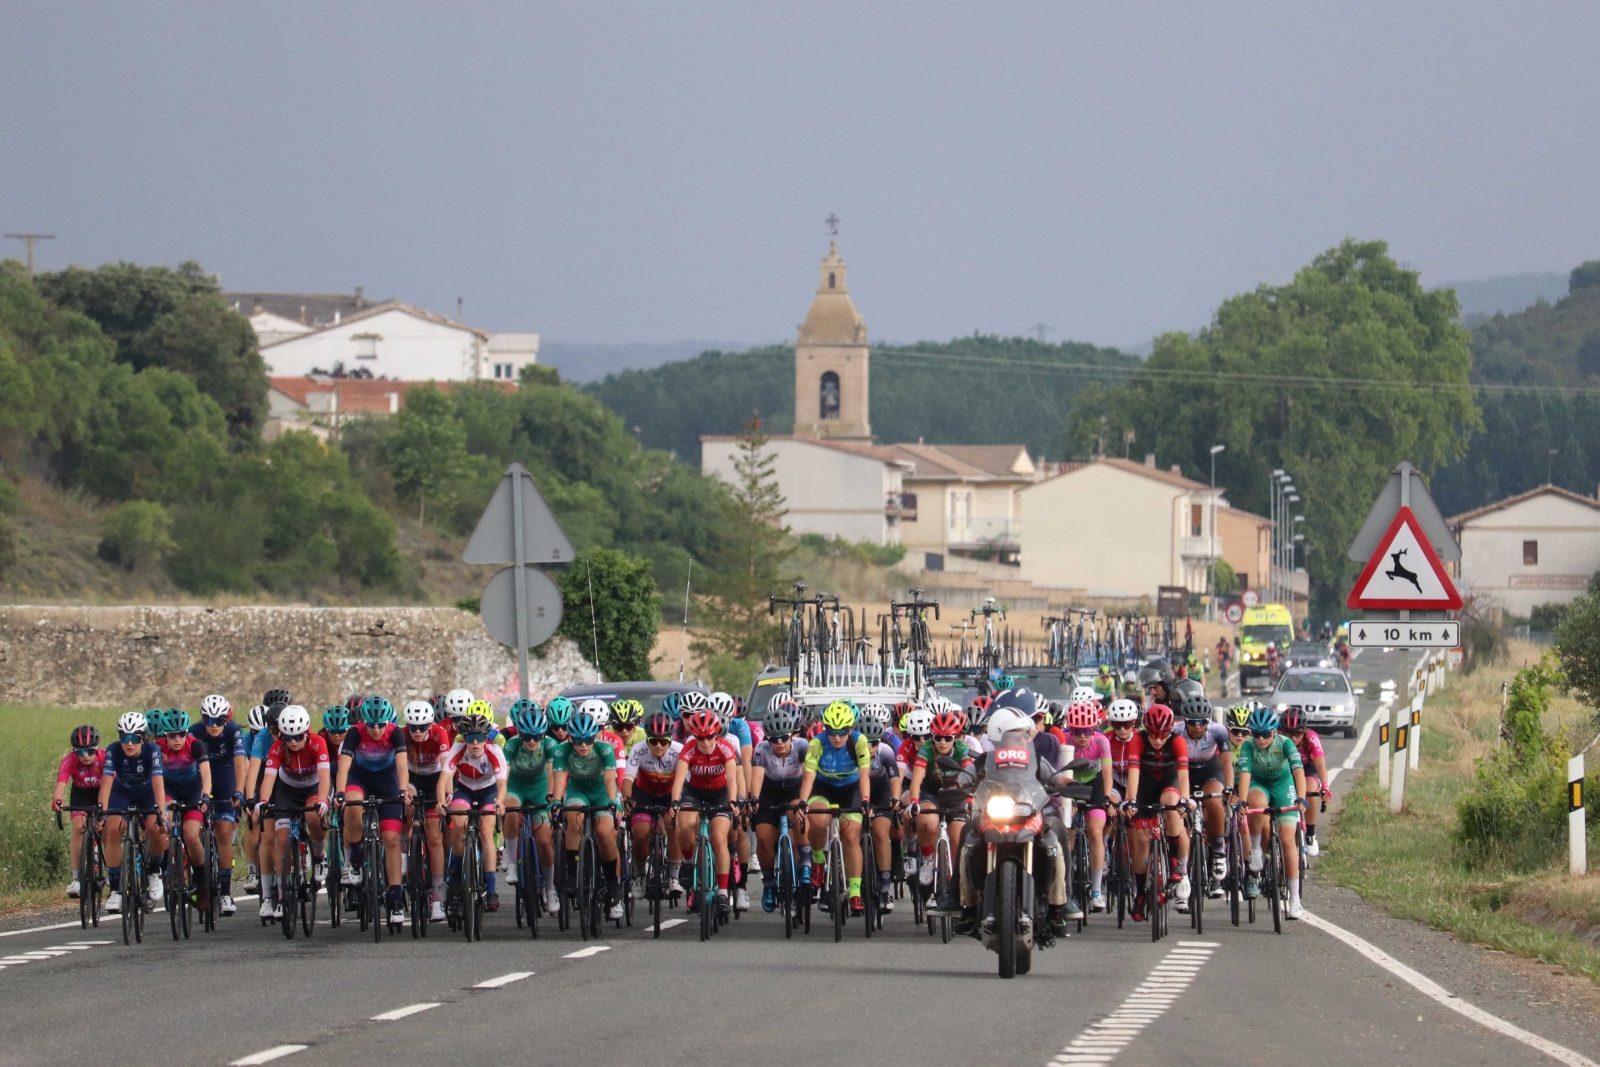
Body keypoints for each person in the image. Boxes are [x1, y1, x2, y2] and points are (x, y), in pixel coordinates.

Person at [336, 696, 410, 924]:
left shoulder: (395, 732)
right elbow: (344, 767)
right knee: (351, 802)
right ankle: (356, 860)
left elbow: (401, 765)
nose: (376, 730)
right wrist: (339, 792)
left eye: (380, 725)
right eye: (371, 725)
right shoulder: (355, 733)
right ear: (364, 722)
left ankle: (396, 900)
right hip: (361, 778)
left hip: (387, 780)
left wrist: (403, 789)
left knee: (390, 838)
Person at [798, 701, 873, 916]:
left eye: (842, 732)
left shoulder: (860, 742)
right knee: (818, 821)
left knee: (850, 836)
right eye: (832, 731)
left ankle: (855, 892)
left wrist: (866, 800)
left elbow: (864, 775)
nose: (837, 737)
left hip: (850, 789)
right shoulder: (817, 743)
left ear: (850, 729)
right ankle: (819, 861)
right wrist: (803, 801)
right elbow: (809, 778)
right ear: (825, 729)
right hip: (823, 788)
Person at [551, 704, 625, 920]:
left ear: (595, 737)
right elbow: (558, 779)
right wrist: (555, 800)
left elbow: (610, 778)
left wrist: (613, 800)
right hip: (578, 790)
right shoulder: (561, 751)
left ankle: (613, 887)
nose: (583, 745)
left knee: (605, 832)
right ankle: (574, 874)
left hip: (602, 792)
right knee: (573, 818)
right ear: (570, 738)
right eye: (578, 740)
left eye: (588, 740)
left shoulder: (605, 749)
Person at [256, 706, 330, 920]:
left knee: (313, 816)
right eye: (289, 737)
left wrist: (324, 801)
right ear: (282, 734)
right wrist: (262, 802)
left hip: (313, 786)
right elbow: (269, 777)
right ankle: (281, 895)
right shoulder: (278, 748)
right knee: (282, 839)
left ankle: (319, 855)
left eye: (298, 736)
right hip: (287, 788)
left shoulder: (318, 742)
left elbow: (325, 777)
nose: (294, 741)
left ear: (306, 732)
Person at [1235, 706, 1307, 919]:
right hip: (1259, 783)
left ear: (1275, 732)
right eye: (1256, 734)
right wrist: (1242, 801)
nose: (1261, 739)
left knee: (1287, 840)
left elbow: (1299, 772)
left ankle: (1294, 899)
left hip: (1283, 785)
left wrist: (1301, 798)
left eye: (1265, 734)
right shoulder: (1248, 746)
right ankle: (1256, 849)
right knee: (1254, 800)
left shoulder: (1285, 744)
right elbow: (1245, 775)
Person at [1120, 704, 1191, 923]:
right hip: (1145, 787)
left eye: (1162, 735)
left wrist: (1185, 800)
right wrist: (1130, 801)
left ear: (1169, 732)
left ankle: (1173, 859)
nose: (1157, 740)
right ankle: (1140, 893)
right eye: (1153, 734)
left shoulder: (1177, 741)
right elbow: (1133, 774)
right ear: (1145, 730)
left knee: (1172, 802)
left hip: (1169, 784)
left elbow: (1184, 775)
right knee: (1141, 840)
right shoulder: (1137, 740)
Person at [98, 711, 169, 915]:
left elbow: (158, 785)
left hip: (147, 793)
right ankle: (116, 890)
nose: (129, 744)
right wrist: (102, 813)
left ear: (142, 738)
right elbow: (106, 784)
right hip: (123, 792)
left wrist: (161, 813)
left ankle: (154, 870)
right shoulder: (113, 750)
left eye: (135, 739)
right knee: (112, 829)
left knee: (156, 829)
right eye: (125, 738)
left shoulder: (153, 751)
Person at [670, 708, 739, 912]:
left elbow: (733, 779)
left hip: (720, 793)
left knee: (719, 838)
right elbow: (680, 778)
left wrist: (733, 801)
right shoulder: (689, 749)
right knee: (685, 826)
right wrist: (675, 801)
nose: (706, 742)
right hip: (695, 792)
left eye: (709, 737)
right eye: (700, 738)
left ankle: (723, 893)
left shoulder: (726, 749)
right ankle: (689, 862)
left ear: (716, 734)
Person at [910, 708, 976, 921]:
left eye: (948, 737)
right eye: (938, 737)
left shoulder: (962, 749)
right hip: (932, 791)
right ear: (932, 736)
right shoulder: (927, 749)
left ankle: (957, 880)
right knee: (927, 820)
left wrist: (970, 799)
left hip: (956, 791)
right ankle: (928, 859)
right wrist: (913, 802)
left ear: (955, 737)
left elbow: (970, 775)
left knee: (959, 836)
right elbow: (917, 779)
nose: (943, 742)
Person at [439, 711, 508, 911]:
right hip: (465, 791)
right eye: (470, 739)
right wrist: (441, 802)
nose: (475, 743)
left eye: (479, 738)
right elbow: (444, 779)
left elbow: (502, 783)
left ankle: (492, 888)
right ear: (464, 739)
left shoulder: (494, 751)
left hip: (488, 791)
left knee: (486, 831)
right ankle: (456, 874)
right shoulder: (458, 749)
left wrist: (500, 803)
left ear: (485, 738)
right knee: (458, 823)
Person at [748, 701, 808, 911]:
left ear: (791, 735)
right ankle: (770, 883)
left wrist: (804, 801)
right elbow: (756, 777)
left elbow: (807, 774)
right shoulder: (762, 749)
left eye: (784, 737)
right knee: (764, 837)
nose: (780, 743)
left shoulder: (802, 746)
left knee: (799, 816)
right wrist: (754, 798)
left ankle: (805, 863)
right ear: (768, 738)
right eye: (775, 739)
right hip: (770, 792)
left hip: (794, 789)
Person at [154, 709, 216, 911]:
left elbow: (206, 775)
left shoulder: (195, 745)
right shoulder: (157, 748)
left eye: (182, 734)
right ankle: (166, 868)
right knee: (164, 824)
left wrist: (205, 795)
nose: (177, 739)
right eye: (172, 735)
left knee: (191, 836)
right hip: (169, 791)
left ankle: (202, 883)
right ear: (165, 735)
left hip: (193, 792)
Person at [504, 700, 561, 915]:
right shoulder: (511, 745)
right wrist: (500, 799)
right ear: (520, 734)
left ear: (543, 734)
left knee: (545, 840)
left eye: (536, 736)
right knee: (510, 809)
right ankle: (510, 861)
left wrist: (551, 799)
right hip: (516, 787)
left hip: (539, 789)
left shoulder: (550, 745)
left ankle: (550, 888)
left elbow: (551, 773)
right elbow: (504, 774)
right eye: (526, 736)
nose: (531, 741)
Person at [621, 710, 684, 901]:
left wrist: (679, 802)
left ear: (670, 740)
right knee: (640, 834)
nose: (658, 745)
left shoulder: (679, 751)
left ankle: (674, 877)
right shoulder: (638, 750)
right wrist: (627, 798)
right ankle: (640, 875)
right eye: (653, 741)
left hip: (669, 795)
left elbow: (685, 782)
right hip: (644, 795)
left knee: (674, 828)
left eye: (663, 741)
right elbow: (627, 779)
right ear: (647, 739)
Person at [192, 694, 246, 915]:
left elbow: (241, 766)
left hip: (225, 777)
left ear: (227, 719)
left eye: (219, 721)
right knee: (193, 830)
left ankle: (225, 893)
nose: (213, 726)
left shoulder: (234, 732)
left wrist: (239, 791)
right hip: (200, 778)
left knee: (223, 832)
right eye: (209, 721)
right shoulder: (195, 732)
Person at [1177, 687, 1232, 900]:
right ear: (1185, 721)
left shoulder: (1218, 731)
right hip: (1185, 772)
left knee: (1215, 801)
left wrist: (1228, 786)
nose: (1198, 726)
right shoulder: (1176, 732)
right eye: (1192, 722)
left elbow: (1226, 760)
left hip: (1210, 770)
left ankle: (1218, 848)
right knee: (1180, 812)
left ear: (1209, 721)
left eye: (1202, 722)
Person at [1063, 696, 1114, 912]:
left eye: (1086, 731)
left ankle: (1095, 891)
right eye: (1077, 731)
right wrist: (1070, 798)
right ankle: (1065, 886)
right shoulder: (1064, 740)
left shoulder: (1102, 741)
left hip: (1095, 785)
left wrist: (1107, 798)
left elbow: (1108, 774)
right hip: (1071, 784)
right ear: (1070, 729)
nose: (1082, 736)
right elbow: (1062, 773)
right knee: (1068, 834)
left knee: (1094, 832)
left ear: (1093, 729)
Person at [403, 700, 451, 920]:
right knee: (406, 804)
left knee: (433, 836)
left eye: (423, 727)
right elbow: (400, 769)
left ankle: (438, 893)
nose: (418, 731)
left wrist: (447, 794)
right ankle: (405, 851)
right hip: (412, 779)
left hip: (434, 782)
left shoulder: (439, 734)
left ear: (430, 725)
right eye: (414, 727)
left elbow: (446, 766)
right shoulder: (402, 735)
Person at [52, 725, 106, 900]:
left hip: (102, 794)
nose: (85, 756)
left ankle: (112, 870)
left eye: (90, 751)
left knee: (107, 831)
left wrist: (104, 814)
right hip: (80, 795)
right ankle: (76, 879)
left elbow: (114, 786)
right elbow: (60, 785)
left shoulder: (105, 758)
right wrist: (57, 800)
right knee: (78, 828)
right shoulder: (69, 761)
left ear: (96, 749)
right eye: (80, 751)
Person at [857, 702, 901, 911]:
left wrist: (895, 799)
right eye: (865, 743)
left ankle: (885, 887)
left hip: (881, 790)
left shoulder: (886, 751)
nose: (870, 749)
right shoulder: (851, 750)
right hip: (857, 790)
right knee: (852, 831)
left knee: (881, 832)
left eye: (873, 743)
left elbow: (894, 780)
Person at [1280, 709, 1330, 856]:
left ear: (1305, 730)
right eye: (1289, 733)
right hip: (1286, 769)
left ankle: (1311, 833)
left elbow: (1320, 765)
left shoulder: (1311, 738)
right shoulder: (1277, 736)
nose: (1293, 738)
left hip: (1308, 768)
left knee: (1310, 791)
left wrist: (1325, 786)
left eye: (1298, 733)